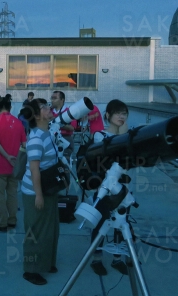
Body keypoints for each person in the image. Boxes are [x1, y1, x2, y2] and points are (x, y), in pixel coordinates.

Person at [20, 98, 59, 285]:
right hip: (35, 191)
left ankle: (46, 262)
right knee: (35, 231)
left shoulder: (47, 132)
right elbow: (34, 169)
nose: (49, 108)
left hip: (48, 187)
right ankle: (31, 270)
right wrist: (39, 195)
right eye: (44, 107)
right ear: (36, 115)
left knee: (50, 228)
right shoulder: (36, 138)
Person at [90, 99, 130, 276]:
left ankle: (117, 258)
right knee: (100, 223)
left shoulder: (126, 136)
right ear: (108, 115)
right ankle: (96, 258)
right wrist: (124, 136)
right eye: (118, 113)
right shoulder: (100, 135)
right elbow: (109, 155)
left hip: (121, 188)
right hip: (103, 187)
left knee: (120, 222)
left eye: (124, 113)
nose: (122, 116)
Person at [0, 96, 26, 232]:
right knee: (13, 193)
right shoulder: (18, 122)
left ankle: (1, 223)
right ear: (9, 107)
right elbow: (24, 144)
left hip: (0, 164)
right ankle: (12, 220)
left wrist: (6, 156)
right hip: (15, 164)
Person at [50, 91, 77, 161]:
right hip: (51, 139)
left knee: (64, 163)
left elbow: (72, 128)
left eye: (55, 98)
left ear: (62, 100)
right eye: (52, 98)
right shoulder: (49, 111)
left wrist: (56, 122)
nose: (52, 100)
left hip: (65, 139)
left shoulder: (70, 112)